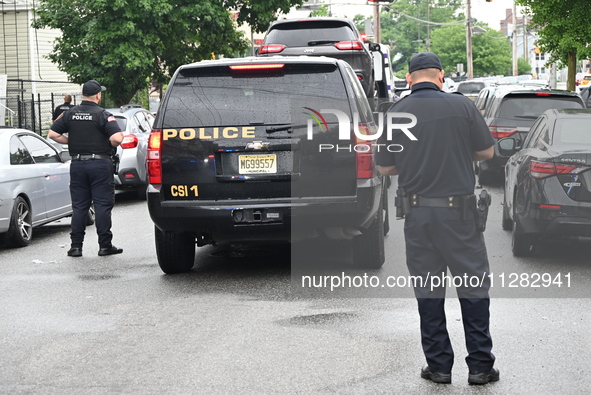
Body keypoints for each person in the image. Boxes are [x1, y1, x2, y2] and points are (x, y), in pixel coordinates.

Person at [375, 52, 499, 385]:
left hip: (418, 215)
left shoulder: (396, 112)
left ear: (409, 77)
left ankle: (440, 366)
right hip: (459, 215)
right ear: (441, 76)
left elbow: (385, 168)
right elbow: (487, 152)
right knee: (472, 286)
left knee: (429, 292)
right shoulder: (462, 106)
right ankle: (480, 367)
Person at [48, 80, 124, 257]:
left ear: (83, 95)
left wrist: (72, 141)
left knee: (80, 206)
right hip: (99, 164)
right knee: (102, 205)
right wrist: (105, 141)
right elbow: (117, 139)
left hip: (78, 165)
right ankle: (105, 246)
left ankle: (76, 247)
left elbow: (52, 134)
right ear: (98, 95)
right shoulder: (103, 115)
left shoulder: (70, 114)